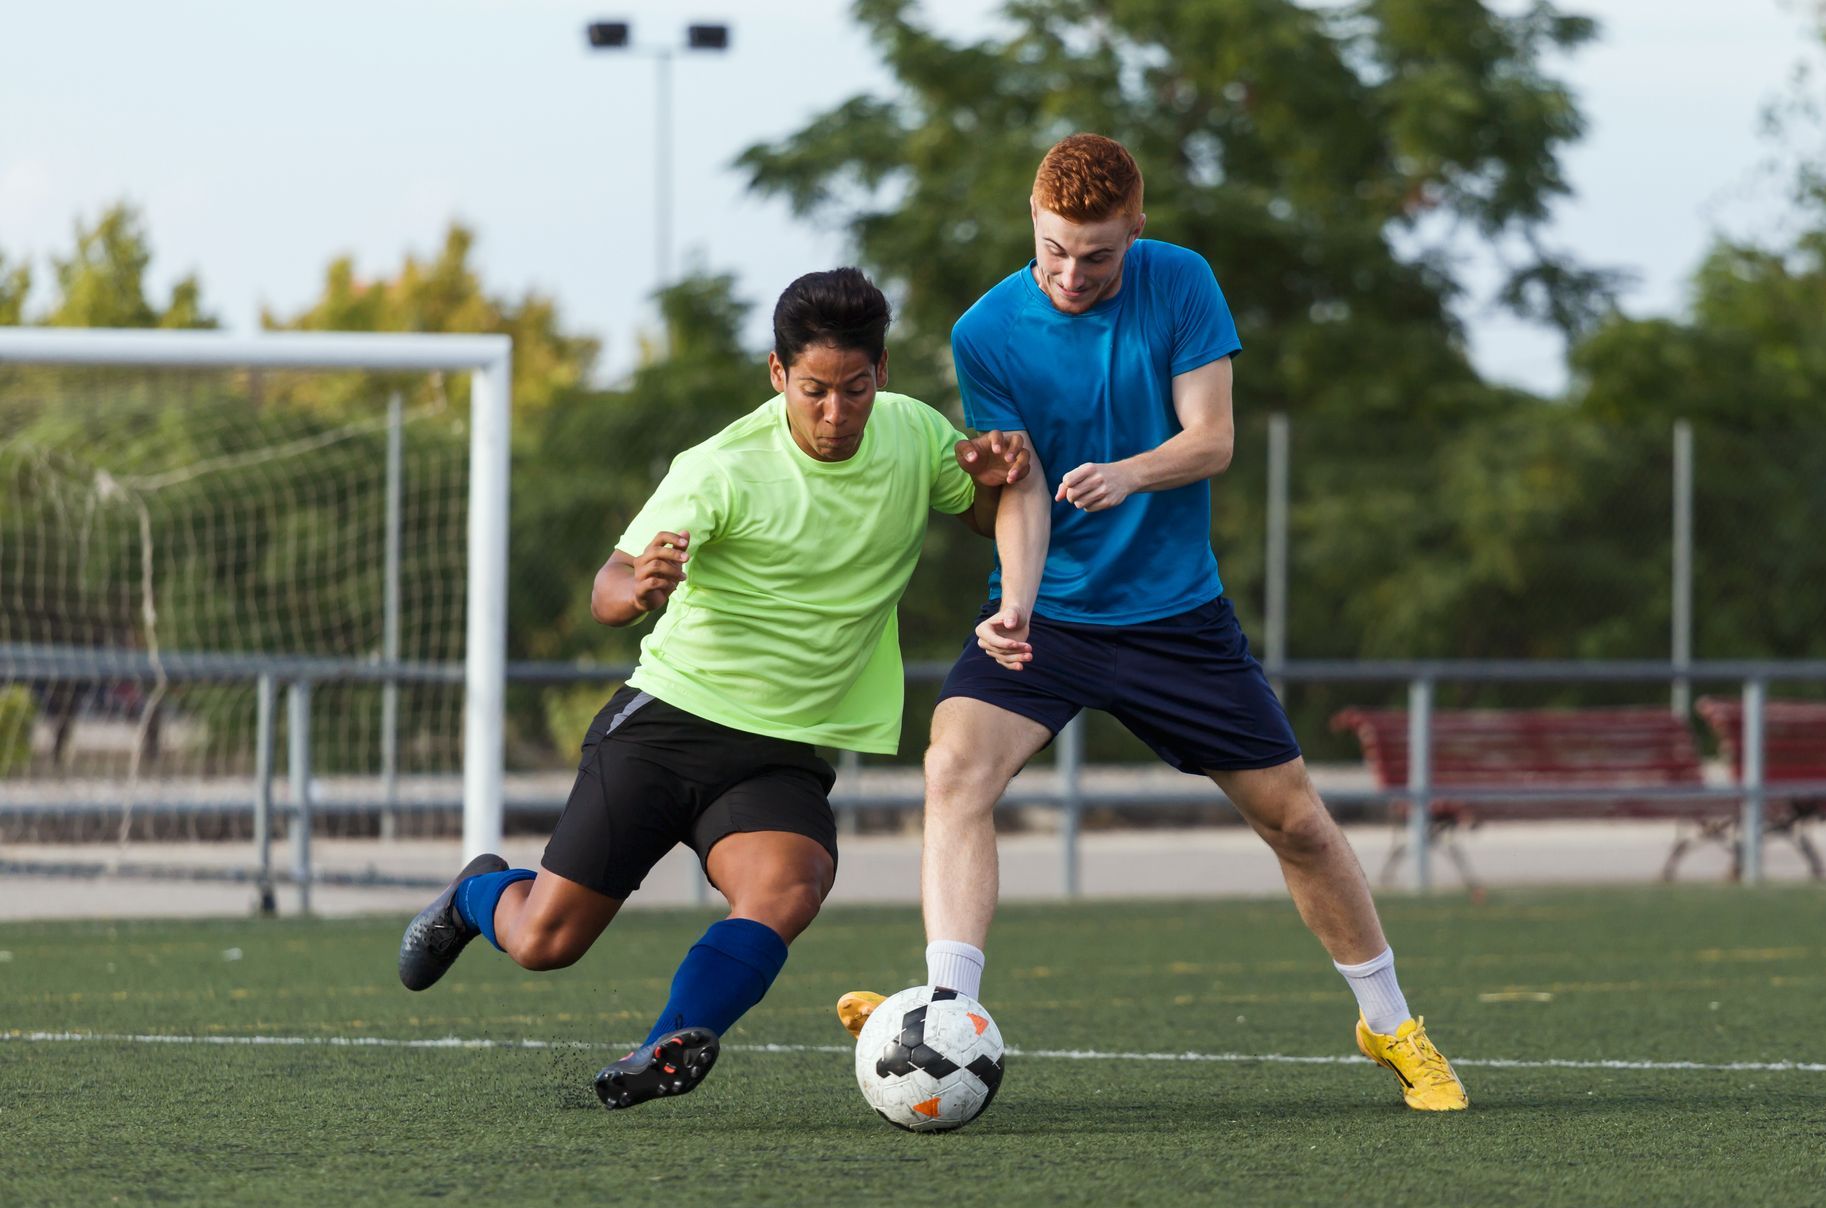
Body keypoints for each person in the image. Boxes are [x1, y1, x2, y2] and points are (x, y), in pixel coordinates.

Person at [836, 135, 1468, 1111]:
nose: (1071, 273)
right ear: (1031, 224)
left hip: (1177, 617)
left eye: (1095, 253)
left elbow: (1211, 438)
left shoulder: (1181, 282)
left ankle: (1391, 1024)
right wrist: (1012, 602)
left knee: (1297, 822)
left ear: (1135, 224)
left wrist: (1130, 471)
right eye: (1053, 249)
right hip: (1051, 613)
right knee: (955, 767)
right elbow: (1021, 486)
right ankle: (946, 1012)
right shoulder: (984, 330)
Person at [397, 267, 1030, 1110]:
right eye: (814, 391)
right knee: (545, 943)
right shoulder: (724, 467)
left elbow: (983, 514)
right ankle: (478, 891)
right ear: (778, 375)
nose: (836, 413)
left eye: (856, 389)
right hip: (667, 728)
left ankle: (665, 1045)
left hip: (777, 753)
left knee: (790, 885)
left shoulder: (913, 434)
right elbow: (608, 587)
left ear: (883, 371)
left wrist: (995, 476)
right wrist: (642, 587)